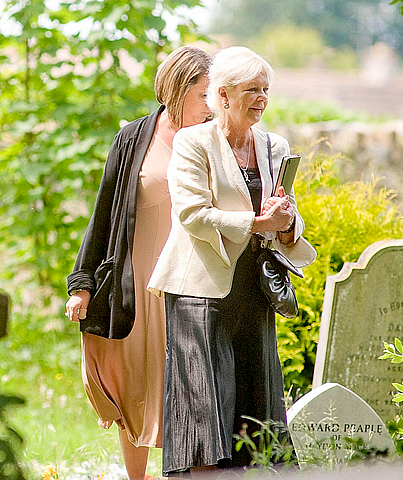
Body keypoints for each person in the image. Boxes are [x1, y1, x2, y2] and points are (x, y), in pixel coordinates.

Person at [148, 46, 316, 477]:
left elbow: (285, 210)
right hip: (198, 289)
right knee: (204, 406)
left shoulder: (275, 146)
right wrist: (257, 220)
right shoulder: (192, 142)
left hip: (254, 287)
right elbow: (191, 214)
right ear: (222, 96)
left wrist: (284, 225)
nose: (261, 99)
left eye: (266, 90)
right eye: (251, 90)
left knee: (255, 402)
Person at [65, 46, 212, 480]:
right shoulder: (133, 138)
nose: (211, 105)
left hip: (193, 280)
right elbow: (104, 212)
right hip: (137, 280)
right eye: (205, 95)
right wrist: (82, 283)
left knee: (188, 382)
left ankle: (180, 473)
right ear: (178, 89)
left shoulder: (213, 139)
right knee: (134, 383)